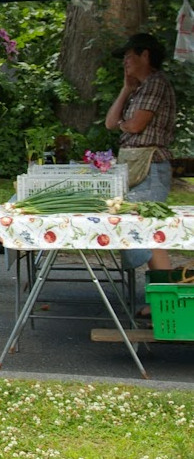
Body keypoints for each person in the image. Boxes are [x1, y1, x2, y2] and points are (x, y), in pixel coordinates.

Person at [105, 32, 176, 296]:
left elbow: (133, 125)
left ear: (145, 55)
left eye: (128, 55)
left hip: (152, 168)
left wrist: (125, 125)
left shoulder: (156, 83)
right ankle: (161, 297)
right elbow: (111, 123)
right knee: (143, 227)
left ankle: (165, 298)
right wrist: (126, 88)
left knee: (147, 228)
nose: (125, 61)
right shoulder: (140, 88)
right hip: (137, 167)